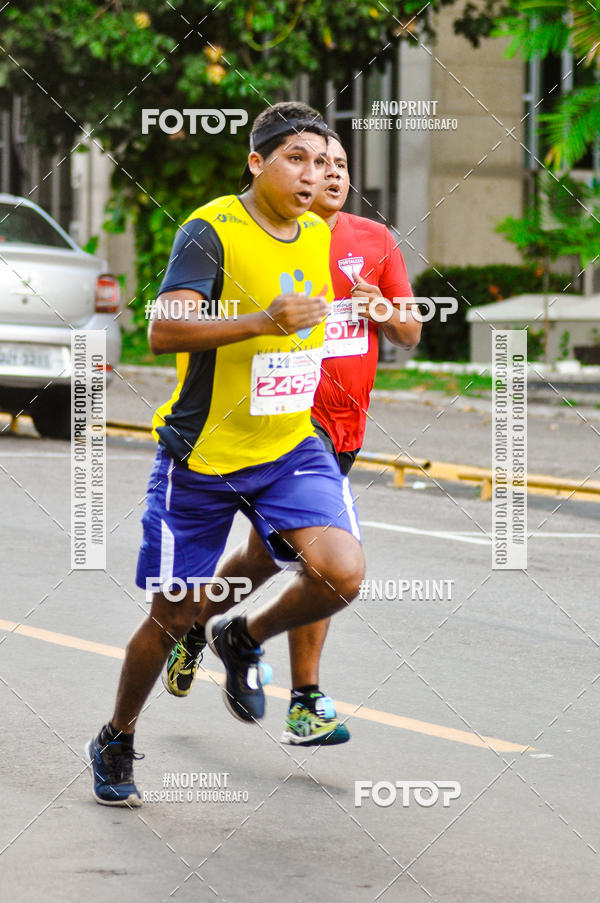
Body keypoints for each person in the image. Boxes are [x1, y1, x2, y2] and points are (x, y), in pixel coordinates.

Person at [86, 103, 366, 806]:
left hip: (288, 448)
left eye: (322, 161)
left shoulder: (315, 235)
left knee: (341, 572)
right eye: (295, 158)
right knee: (171, 615)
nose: (310, 175)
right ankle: (117, 734)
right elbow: (164, 328)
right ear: (256, 161)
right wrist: (260, 322)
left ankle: (243, 635)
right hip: (204, 457)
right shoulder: (211, 230)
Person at [164, 132, 421, 746]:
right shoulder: (275, 231)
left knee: (262, 556)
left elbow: (409, 329)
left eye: (339, 165)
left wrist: (377, 309)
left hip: (342, 428)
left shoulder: (374, 241)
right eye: (313, 162)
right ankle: (299, 692)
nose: (328, 175)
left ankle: (203, 628)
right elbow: (194, 316)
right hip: (279, 429)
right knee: (322, 561)